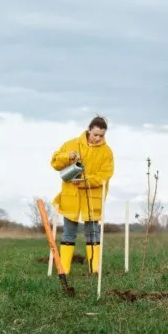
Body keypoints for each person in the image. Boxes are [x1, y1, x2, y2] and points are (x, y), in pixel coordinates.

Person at [50, 115, 114, 275]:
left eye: (101, 135)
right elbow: (55, 163)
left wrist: (85, 181)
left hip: (93, 197)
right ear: (88, 131)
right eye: (95, 134)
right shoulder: (71, 144)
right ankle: (64, 270)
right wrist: (68, 157)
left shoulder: (107, 152)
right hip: (71, 196)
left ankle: (95, 270)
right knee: (69, 232)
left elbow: (105, 175)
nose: (98, 138)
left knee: (92, 232)